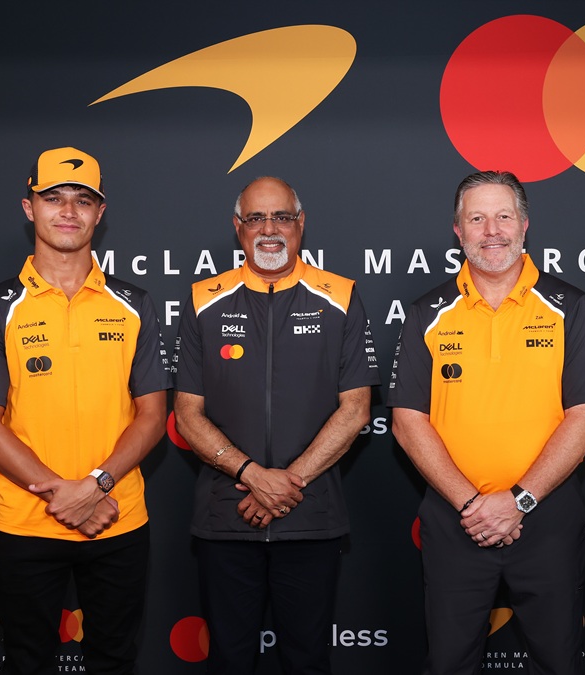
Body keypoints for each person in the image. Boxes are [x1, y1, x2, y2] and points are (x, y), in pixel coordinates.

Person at [0, 146, 172, 674]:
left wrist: (95, 486)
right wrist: (68, 497)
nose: (68, 210)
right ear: (29, 207)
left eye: (82, 199)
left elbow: (152, 415)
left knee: (114, 661)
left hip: (117, 521)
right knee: (27, 663)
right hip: (28, 526)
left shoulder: (135, 304)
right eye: (53, 197)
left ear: (100, 212)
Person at [388, 170, 585, 675]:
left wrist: (520, 501)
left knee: (558, 661)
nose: (492, 230)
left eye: (503, 216)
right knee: (447, 663)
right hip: (454, 520)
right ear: (458, 231)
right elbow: (407, 422)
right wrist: (473, 505)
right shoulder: (427, 311)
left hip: (548, 516)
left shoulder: (569, 306)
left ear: (525, 225)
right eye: (477, 218)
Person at [172, 176, 380, 674]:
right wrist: (252, 476)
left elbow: (356, 410)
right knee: (229, 660)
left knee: (307, 660)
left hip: (310, 517)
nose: (270, 229)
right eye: (256, 218)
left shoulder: (342, 296)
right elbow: (186, 412)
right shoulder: (203, 300)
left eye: (282, 217)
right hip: (228, 517)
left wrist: (289, 483)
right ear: (237, 227)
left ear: (300, 224)